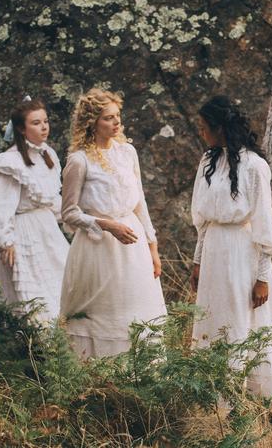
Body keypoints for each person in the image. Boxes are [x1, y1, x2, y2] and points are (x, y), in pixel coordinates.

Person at [190, 95, 272, 397]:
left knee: (243, 320)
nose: (202, 134)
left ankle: (250, 394)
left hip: (242, 252)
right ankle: (219, 394)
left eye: (204, 128)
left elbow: (263, 224)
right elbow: (202, 218)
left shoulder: (255, 166)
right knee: (214, 319)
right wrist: (198, 259)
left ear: (220, 127)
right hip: (214, 248)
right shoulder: (209, 161)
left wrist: (263, 277)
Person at [59, 88, 166, 358]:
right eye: (108, 118)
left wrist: (152, 247)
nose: (116, 122)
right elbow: (69, 212)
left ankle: (142, 373)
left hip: (134, 245)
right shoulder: (79, 160)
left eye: (117, 116)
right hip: (99, 247)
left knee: (136, 307)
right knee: (105, 311)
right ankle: (100, 374)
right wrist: (106, 225)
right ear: (92, 122)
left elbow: (140, 201)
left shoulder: (127, 153)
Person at [0, 96, 69, 323]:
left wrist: (74, 216)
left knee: (62, 282)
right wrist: (5, 241)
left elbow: (50, 200)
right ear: (22, 129)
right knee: (32, 296)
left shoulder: (46, 155)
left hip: (46, 230)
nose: (44, 127)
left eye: (45, 121)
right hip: (21, 232)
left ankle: (66, 344)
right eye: (36, 123)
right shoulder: (10, 163)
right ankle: (35, 347)